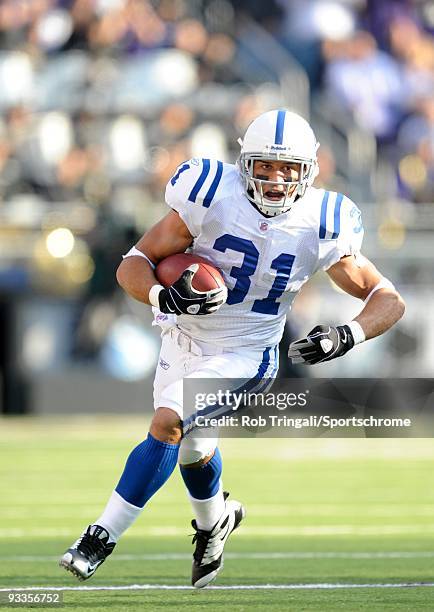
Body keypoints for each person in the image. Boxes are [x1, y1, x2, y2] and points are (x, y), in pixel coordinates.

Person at [60, 109, 405, 588]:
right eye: (265, 165)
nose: (276, 178)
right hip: (182, 336)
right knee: (193, 449)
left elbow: (387, 298)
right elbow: (134, 263)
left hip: (248, 352)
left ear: (309, 169)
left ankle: (100, 536)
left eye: (288, 168)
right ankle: (214, 521)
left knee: (170, 422)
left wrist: (348, 334)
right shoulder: (210, 195)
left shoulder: (324, 220)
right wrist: (163, 295)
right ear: (245, 163)